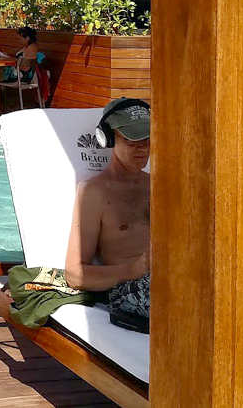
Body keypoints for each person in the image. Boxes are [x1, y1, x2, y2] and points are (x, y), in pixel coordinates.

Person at [64, 97, 151, 321]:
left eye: (148, 139)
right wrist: (133, 269)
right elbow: (74, 274)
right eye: (132, 140)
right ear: (109, 139)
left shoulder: (159, 186)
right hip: (132, 288)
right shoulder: (94, 192)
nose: (143, 148)